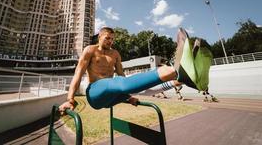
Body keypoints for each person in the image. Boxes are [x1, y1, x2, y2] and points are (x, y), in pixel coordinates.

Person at [59, 27, 212, 113]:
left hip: (111, 96)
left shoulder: (115, 54)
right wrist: (70, 99)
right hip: (95, 94)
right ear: (99, 36)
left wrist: (128, 96)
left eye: (112, 39)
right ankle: (174, 67)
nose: (110, 41)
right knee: (118, 83)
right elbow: (77, 75)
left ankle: (180, 78)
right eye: (107, 38)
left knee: (134, 88)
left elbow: (122, 76)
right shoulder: (89, 50)